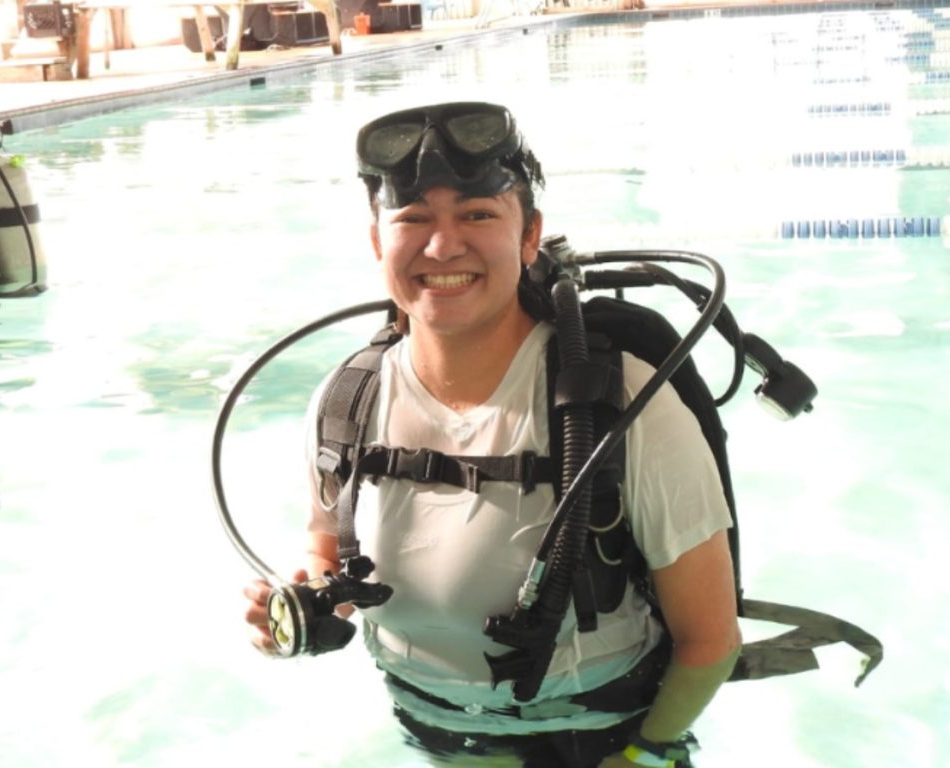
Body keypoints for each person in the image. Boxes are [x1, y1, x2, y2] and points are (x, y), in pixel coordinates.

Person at [244, 102, 742, 768]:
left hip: (600, 740)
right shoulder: (345, 402)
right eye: (413, 218)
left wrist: (645, 757)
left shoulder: (621, 404)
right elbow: (326, 540)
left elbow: (710, 639)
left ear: (530, 236)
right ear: (375, 243)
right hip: (432, 730)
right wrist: (308, 600)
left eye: (477, 215)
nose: (443, 247)